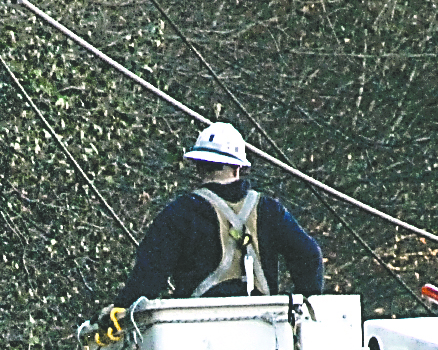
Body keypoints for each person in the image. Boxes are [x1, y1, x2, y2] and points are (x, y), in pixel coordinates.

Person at [113, 121, 325, 308]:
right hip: (265, 330)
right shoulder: (271, 211)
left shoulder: (180, 213)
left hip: (197, 331)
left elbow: (149, 275)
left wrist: (122, 306)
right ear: (238, 167)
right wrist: (304, 304)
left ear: (198, 167)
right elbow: (309, 255)